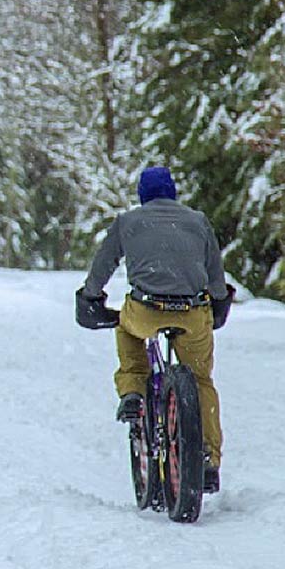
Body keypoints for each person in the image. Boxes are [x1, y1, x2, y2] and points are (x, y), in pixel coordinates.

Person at [76, 165, 234, 492]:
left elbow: (103, 265)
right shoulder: (198, 221)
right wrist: (218, 303)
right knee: (201, 379)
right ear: (173, 193)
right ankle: (208, 458)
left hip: (147, 310)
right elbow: (216, 275)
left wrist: (91, 295)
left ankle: (133, 390)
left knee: (126, 328)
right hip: (192, 313)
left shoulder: (128, 222)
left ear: (142, 194)